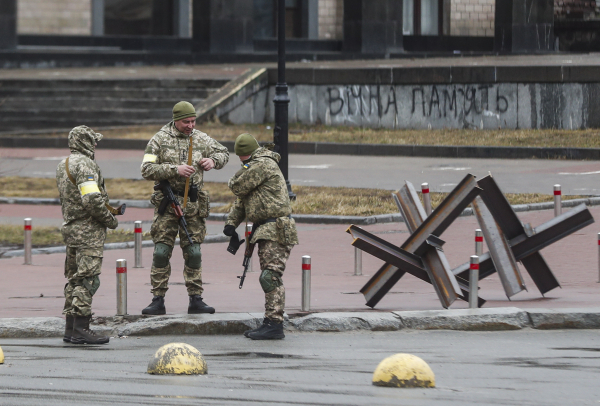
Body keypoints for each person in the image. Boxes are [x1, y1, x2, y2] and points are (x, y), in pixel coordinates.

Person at [141, 101, 229, 315]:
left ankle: (196, 299)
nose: (190, 125)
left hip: (193, 206)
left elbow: (224, 152)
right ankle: (157, 299)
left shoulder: (200, 138)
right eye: (186, 122)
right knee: (161, 252)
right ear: (175, 120)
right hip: (168, 205)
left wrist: (213, 161)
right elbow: (146, 169)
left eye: (193, 121)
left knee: (193, 252)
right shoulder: (159, 140)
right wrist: (174, 169)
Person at [224, 133, 299, 340]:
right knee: (268, 275)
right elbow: (242, 198)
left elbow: (236, 185)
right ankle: (270, 321)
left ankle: (275, 324)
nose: (242, 163)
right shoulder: (255, 166)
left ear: (246, 155)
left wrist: (243, 170)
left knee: (270, 276)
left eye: (243, 160)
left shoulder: (263, 164)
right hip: (266, 229)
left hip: (276, 228)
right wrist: (231, 224)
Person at [56, 125, 118, 344]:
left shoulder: (64, 164)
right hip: (88, 232)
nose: (95, 145)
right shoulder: (86, 165)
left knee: (74, 279)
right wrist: (110, 219)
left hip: (71, 228)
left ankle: (71, 329)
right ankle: (82, 329)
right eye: (93, 141)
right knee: (88, 280)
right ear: (84, 142)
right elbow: (91, 199)